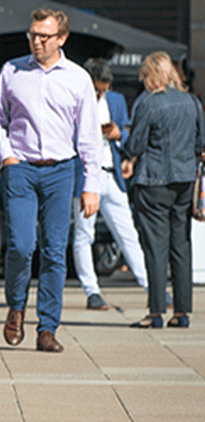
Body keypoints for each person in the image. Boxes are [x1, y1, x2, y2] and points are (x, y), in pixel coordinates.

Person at [0, 8, 99, 354]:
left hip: (61, 170)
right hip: (21, 167)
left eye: (43, 36)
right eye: (32, 34)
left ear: (61, 38)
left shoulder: (78, 78)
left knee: (54, 251)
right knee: (20, 245)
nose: (36, 41)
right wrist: (6, 154)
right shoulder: (12, 71)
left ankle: (47, 327)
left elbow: (90, 136)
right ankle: (16, 305)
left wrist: (91, 184)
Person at [122, 51, 203, 329]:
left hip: (154, 180)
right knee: (181, 246)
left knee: (155, 248)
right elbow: (200, 141)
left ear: (151, 76)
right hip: (184, 181)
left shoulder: (149, 104)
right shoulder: (192, 102)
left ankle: (156, 312)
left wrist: (125, 149)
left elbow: (136, 145)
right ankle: (182, 312)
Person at [70, 59, 148, 309]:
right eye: (96, 89)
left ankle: (150, 285)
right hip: (84, 175)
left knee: (127, 232)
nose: (100, 94)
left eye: (103, 89)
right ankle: (92, 290)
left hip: (110, 172)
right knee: (84, 234)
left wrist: (119, 134)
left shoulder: (114, 100)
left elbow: (126, 131)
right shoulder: (75, 98)